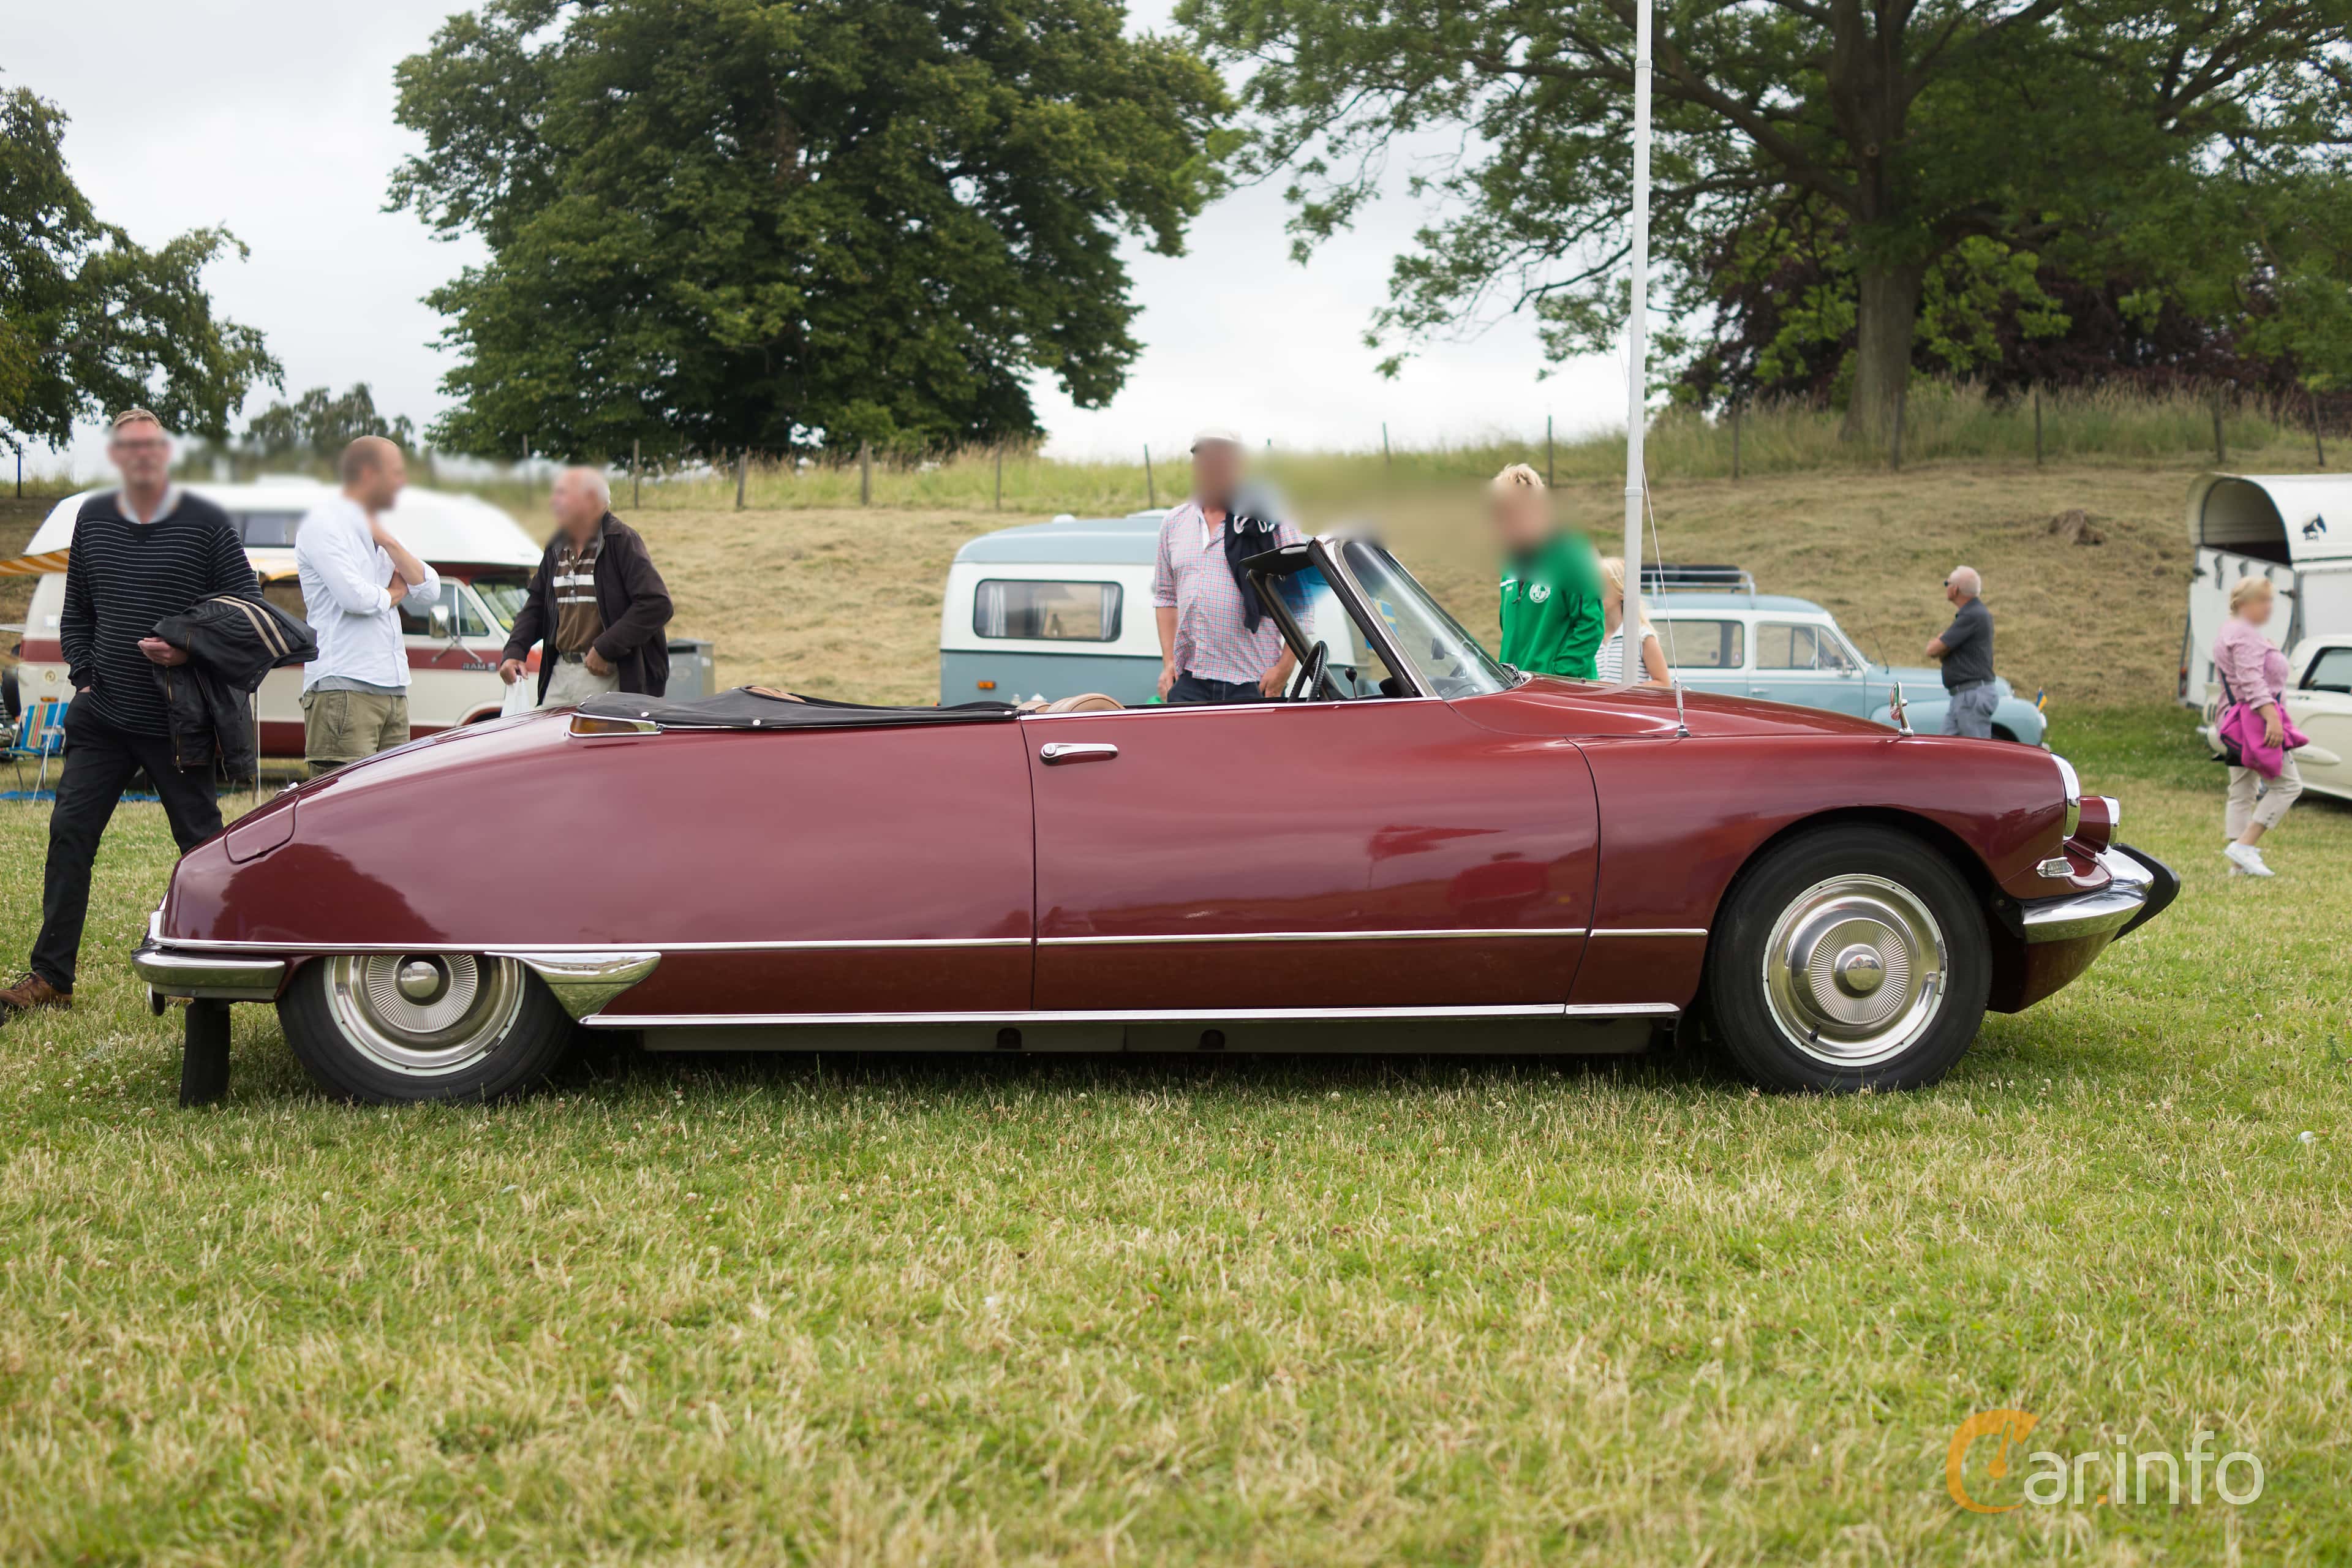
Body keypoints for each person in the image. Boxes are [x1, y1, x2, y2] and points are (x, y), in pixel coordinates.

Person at [1, 410, 259, 1022]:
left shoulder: (205, 520)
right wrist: (86, 680)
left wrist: (186, 646)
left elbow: (245, 609)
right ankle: (51, 977)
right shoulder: (93, 518)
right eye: (128, 448)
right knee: (69, 835)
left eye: (151, 446)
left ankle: (210, 966)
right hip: (104, 717)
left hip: (178, 720)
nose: (141, 456)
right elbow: (77, 615)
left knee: (199, 846)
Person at [293, 437, 439, 774]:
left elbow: (430, 589)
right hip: (342, 689)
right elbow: (354, 598)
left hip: (394, 689)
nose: (403, 481)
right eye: (397, 472)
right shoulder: (323, 524)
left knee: (391, 807)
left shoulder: (388, 529)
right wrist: (395, 595)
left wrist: (388, 541)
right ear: (369, 473)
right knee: (341, 813)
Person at [499, 467, 673, 707]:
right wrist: (515, 650)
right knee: (548, 743)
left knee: (599, 745)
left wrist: (605, 648)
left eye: (563, 494)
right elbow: (537, 605)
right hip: (560, 672)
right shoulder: (557, 546)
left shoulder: (620, 540)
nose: (554, 501)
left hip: (606, 674)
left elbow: (657, 604)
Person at [1152, 430, 1301, 704]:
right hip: (1189, 681)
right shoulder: (1175, 522)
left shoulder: (1272, 521)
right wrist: (1169, 660)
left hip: (1254, 681)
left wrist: (1284, 669)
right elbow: (1165, 596)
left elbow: (1301, 602)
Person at [2212, 575, 2304, 876]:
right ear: (2244, 604)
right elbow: (2251, 681)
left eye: (2271, 600)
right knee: (2290, 784)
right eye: (2263, 601)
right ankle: (2245, 846)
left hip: (2234, 722)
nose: (2269, 607)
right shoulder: (2245, 635)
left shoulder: (2232, 632)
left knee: (2243, 790)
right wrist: (2273, 717)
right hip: (2256, 723)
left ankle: (2240, 865)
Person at [1491, 463, 1603, 679]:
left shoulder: (1571, 554)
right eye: (1503, 518)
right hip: (1518, 692)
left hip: (1561, 695)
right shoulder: (1510, 565)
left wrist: (1558, 677)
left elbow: (1590, 625)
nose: (1507, 527)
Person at [1926, 565, 1996, 737]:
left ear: (1955, 589)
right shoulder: (1974, 614)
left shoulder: (1972, 616)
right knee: (1946, 753)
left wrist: (1942, 644)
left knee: (1976, 756)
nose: (1946, 587)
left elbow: (1933, 650)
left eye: (1947, 583)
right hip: (1965, 697)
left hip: (1971, 697)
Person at [1594, 555, 1670, 685]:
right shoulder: (1589, 638)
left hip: (1625, 704)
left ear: (1622, 592)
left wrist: (1622, 691)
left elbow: (1663, 683)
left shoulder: (1641, 637)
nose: (1595, 595)